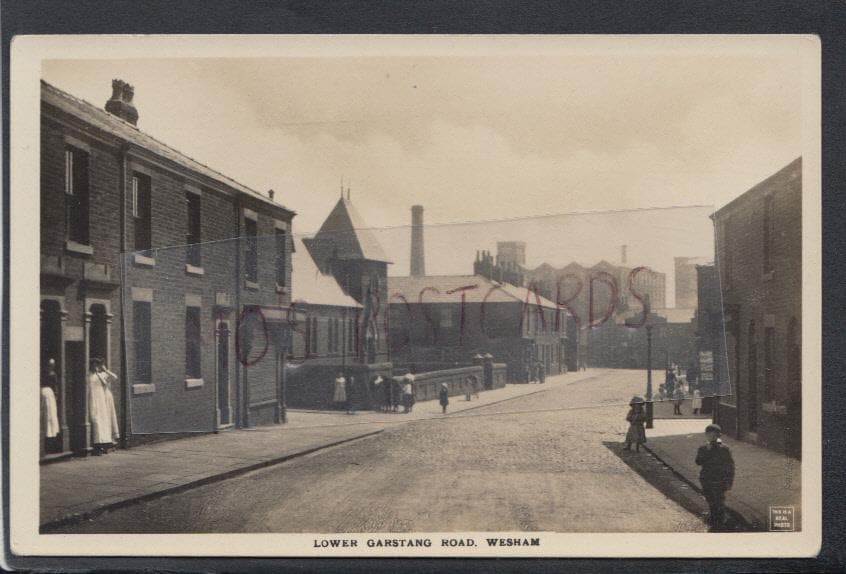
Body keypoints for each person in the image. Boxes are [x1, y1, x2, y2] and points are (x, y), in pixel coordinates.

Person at [695, 424, 735, 531]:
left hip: (719, 480)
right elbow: (698, 462)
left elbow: (730, 466)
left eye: (714, 435)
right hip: (706, 479)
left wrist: (729, 482)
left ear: (719, 436)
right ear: (706, 435)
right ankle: (713, 519)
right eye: (709, 435)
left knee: (719, 501)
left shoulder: (725, 449)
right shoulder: (703, 448)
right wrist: (707, 451)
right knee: (710, 500)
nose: (711, 437)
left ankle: (719, 523)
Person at [88, 357, 120, 455]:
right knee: (95, 420)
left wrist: (105, 370)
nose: (95, 367)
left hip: (101, 400)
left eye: (97, 365)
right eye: (94, 365)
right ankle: (96, 445)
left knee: (102, 421)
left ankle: (101, 445)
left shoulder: (101, 375)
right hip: (93, 399)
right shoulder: (89, 375)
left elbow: (115, 377)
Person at [41, 358, 60, 453]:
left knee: (50, 417)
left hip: (49, 395)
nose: (51, 367)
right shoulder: (47, 373)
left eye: (52, 365)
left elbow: (55, 386)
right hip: (45, 394)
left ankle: (50, 443)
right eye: (50, 365)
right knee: (47, 417)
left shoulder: (52, 374)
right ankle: (47, 443)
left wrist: (56, 394)